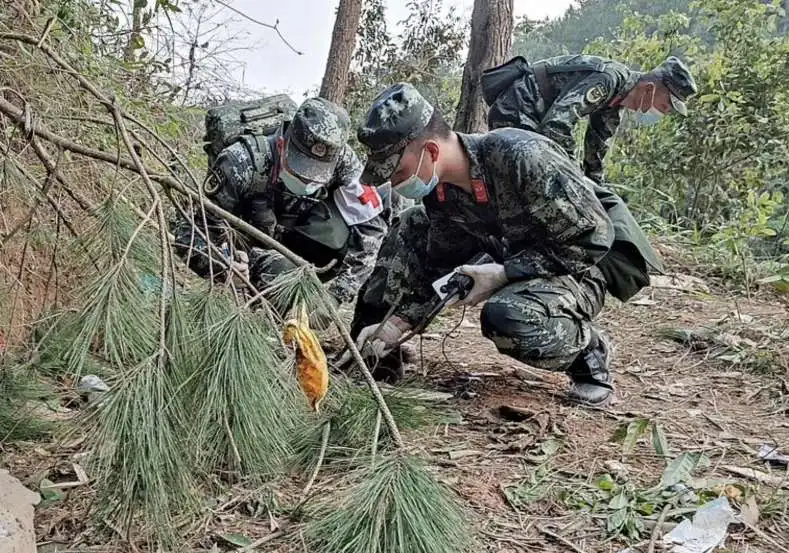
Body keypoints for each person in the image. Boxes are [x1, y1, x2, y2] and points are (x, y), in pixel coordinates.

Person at [347, 83, 663, 405]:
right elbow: (442, 266)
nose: (396, 184)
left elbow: (593, 239)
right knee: (411, 223)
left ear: (431, 151)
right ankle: (374, 352)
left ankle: (589, 353)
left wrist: (504, 274)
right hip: (514, 255)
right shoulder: (441, 194)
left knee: (507, 317)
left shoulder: (521, 156)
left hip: (581, 265)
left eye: (398, 172)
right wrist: (399, 323)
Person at [172, 97, 388, 315]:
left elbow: (372, 229)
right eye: (300, 171)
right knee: (280, 270)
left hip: (299, 239)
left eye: (317, 176)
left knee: (366, 219)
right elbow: (188, 233)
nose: (307, 182)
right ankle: (261, 315)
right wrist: (223, 266)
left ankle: (299, 297)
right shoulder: (240, 162)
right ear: (282, 145)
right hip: (247, 247)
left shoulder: (345, 163)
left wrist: (337, 295)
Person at [481, 55, 697, 183]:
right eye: (665, 105)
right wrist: (573, 175)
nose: (664, 112)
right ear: (650, 88)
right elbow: (556, 125)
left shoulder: (615, 103)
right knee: (523, 181)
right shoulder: (609, 80)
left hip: (535, 118)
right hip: (518, 108)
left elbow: (596, 152)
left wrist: (596, 191)